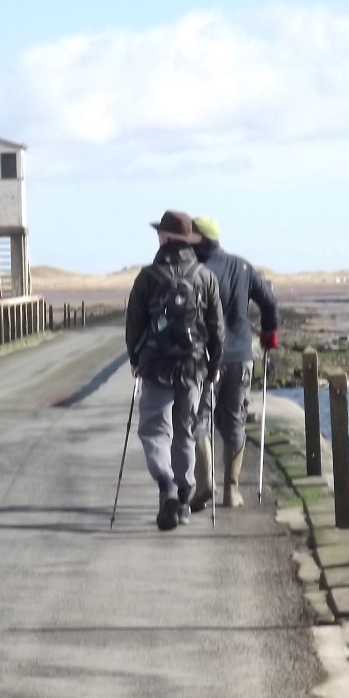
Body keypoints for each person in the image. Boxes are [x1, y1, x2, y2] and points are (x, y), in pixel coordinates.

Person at [125, 210, 225, 531]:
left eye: (160, 233)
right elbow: (216, 327)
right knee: (186, 431)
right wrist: (214, 365)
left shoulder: (147, 277)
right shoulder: (205, 277)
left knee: (155, 431)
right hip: (193, 367)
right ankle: (183, 499)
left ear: (166, 238)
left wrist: (135, 358)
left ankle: (166, 485)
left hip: (156, 365)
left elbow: (134, 322)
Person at [189, 217, 279, 510]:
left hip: (206, 359)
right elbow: (269, 302)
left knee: (198, 419)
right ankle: (231, 491)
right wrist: (269, 334)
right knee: (235, 419)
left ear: (200, 239)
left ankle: (205, 484)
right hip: (241, 356)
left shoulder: (196, 271)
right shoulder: (242, 267)